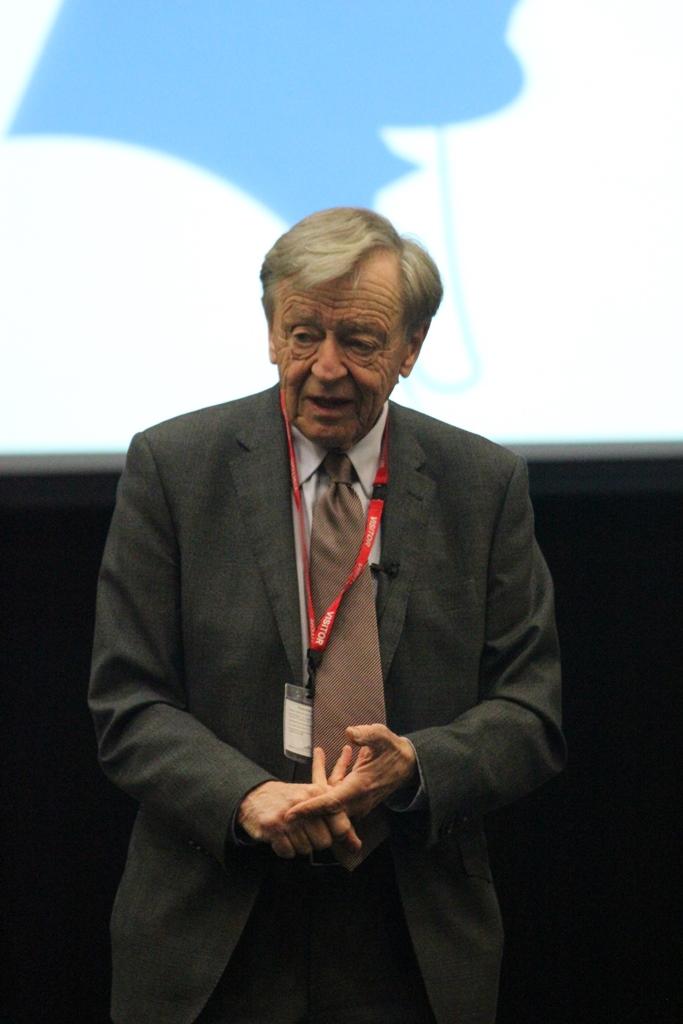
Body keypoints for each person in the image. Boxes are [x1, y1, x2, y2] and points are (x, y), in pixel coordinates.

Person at [89, 207, 565, 1024]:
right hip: (211, 926)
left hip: (408, 930)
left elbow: (530, 714)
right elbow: (127, 703)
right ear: (271, 332)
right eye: (303, 333)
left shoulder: (482, 485)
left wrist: (415, 764)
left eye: (361, 340)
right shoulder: (173, 468)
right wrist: (246, 798)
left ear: (412, 348)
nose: (326, 368)